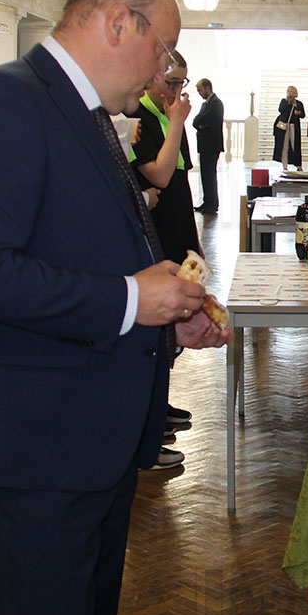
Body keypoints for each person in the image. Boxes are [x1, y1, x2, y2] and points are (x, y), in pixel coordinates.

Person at [0, 0, 232, 615]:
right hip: (39, 442)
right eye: (163, 50)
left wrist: (163, 323)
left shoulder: (87, 114)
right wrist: (132, 300)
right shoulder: (5, 101)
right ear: (117, 23)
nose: (164, 70)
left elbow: (86, 250)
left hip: (89, 436)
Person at [131, 53, 201, 467]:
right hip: (154, 235)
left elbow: (178, 178)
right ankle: (149, 423)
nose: (176, 92)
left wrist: (194, 245)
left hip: (176, 228)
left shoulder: (168, 113)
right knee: (156, 333)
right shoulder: (143, 115)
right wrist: (177, 120)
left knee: (173, 330)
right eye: (170, 83)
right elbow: (157, 174)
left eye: (181, 84)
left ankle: (161, 403)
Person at [192, 77, 224, 214]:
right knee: (205, 175)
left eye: (200, 90)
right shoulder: (206, 104)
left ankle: (212, 204)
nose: (199, 93)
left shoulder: (215, 103)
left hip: (211, 145)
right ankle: (207, 202)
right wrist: (200, 123)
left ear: (207, 88)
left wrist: (200, 123)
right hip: (206, 145)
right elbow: (196, 121)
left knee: (210, 175)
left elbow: (203, 120)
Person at [272, 85, 305, 170]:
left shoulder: (298, 103)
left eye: (292, 91)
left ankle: (298, 165)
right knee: (285, 145)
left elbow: (303, 115)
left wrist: (298, 113)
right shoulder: (284, 101)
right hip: (284, 126)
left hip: (294, 126)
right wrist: (288, 102)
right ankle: (284, 165)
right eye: (288, 91)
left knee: (295, 145)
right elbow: (281, 110)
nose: (290, 93)